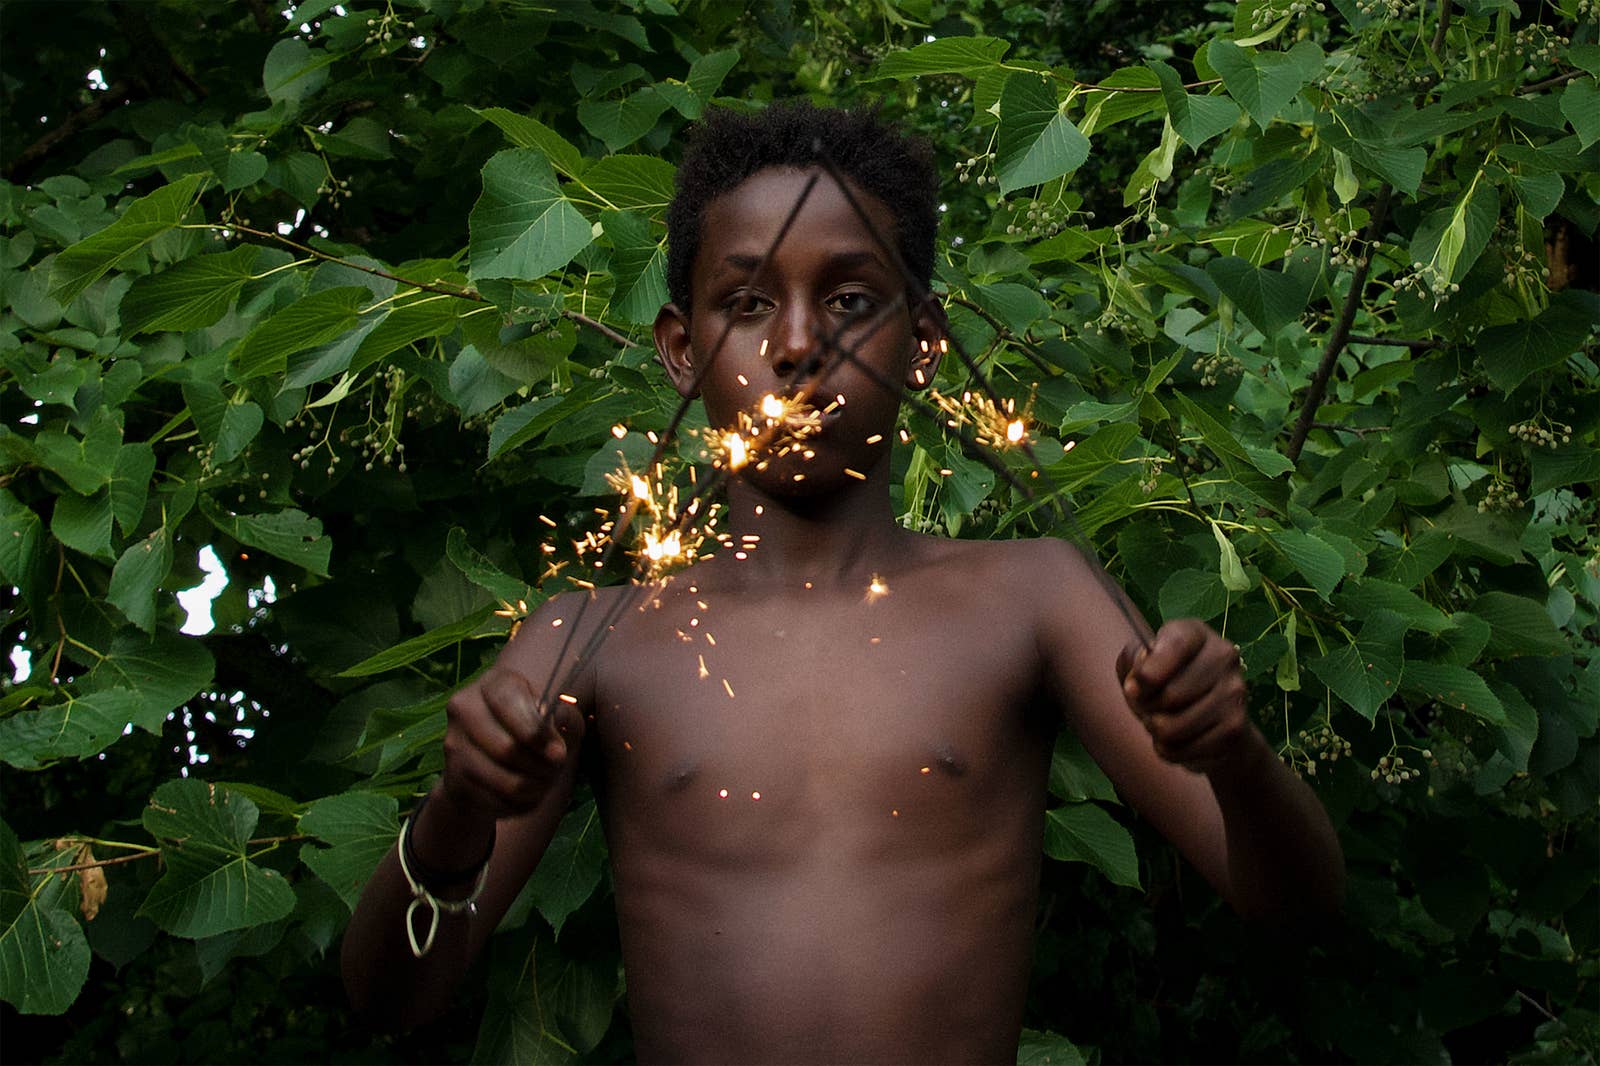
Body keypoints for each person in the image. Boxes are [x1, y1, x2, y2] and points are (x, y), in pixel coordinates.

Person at [342, 102, 1344, 1064]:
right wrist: (457, 812)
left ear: (922, 340)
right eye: (745, 303)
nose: (794, 345)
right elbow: (393, 999)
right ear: (683, 350)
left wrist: (1234, 754)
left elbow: (1298, 907)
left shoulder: (1031, 597)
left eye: (850, 299)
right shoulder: (598, 638)